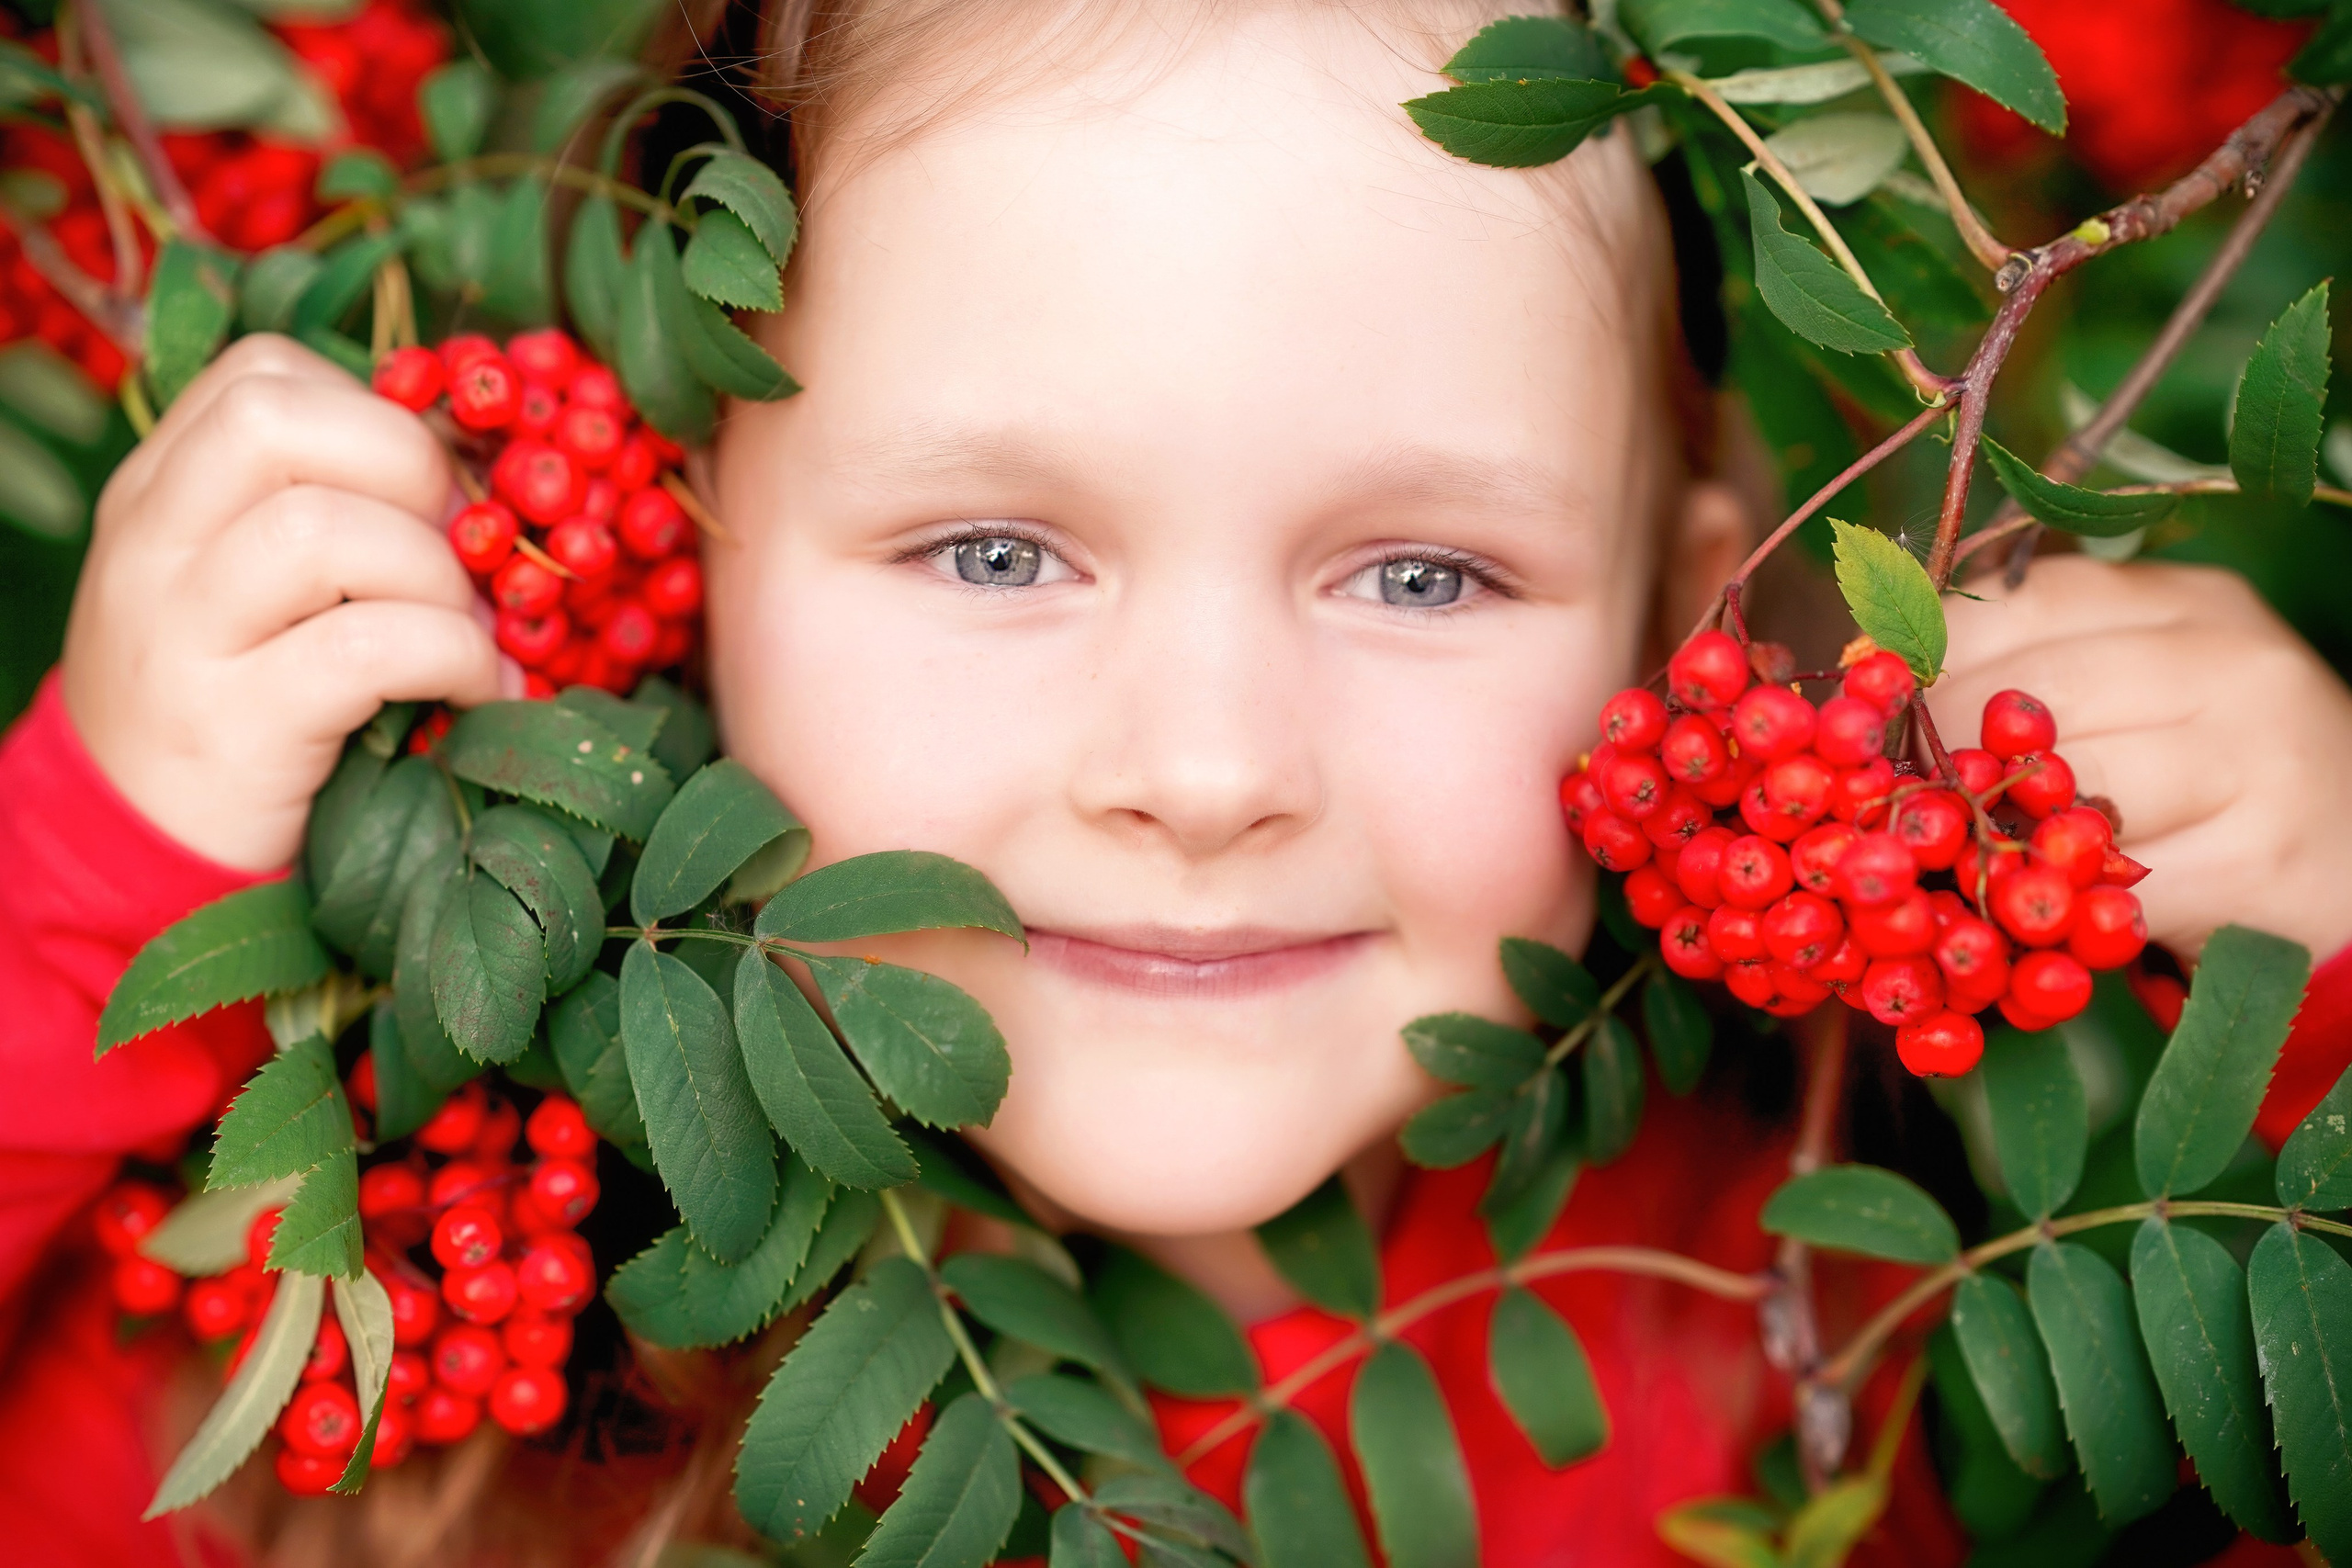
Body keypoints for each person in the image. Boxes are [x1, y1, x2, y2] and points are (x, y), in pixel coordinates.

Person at [4, 1, 2350, 1562]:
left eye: (1423, 572)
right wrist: (91, 881)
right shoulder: (423, 1322)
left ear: (1689, 637)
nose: (1207, 768)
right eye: (996, 547)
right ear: (669, 543)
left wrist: (2331, 941)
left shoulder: (1882, 1287)